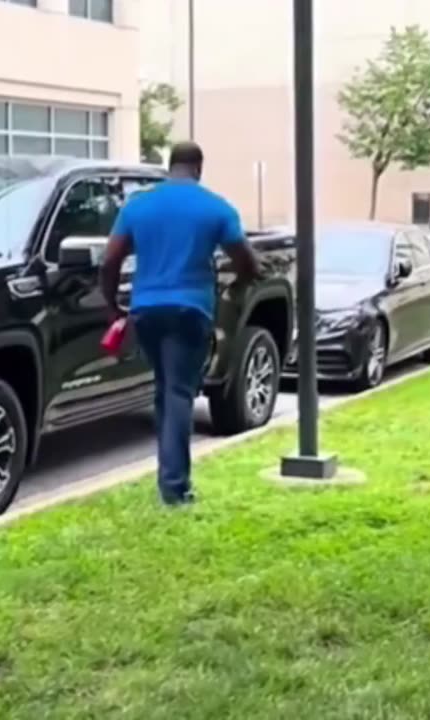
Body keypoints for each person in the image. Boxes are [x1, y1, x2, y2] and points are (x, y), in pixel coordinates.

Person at [100, 141, 260, 505]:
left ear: (169, 166)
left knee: (165, 389)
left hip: (146, 312)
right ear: (199, 168)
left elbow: (109, 261)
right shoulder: (216, 208)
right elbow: (248, 262)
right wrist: (237, 284)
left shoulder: (138, 205)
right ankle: (174, 488)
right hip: (191, 312)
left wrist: (113, 307)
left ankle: (169, 476)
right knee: (178, 393)